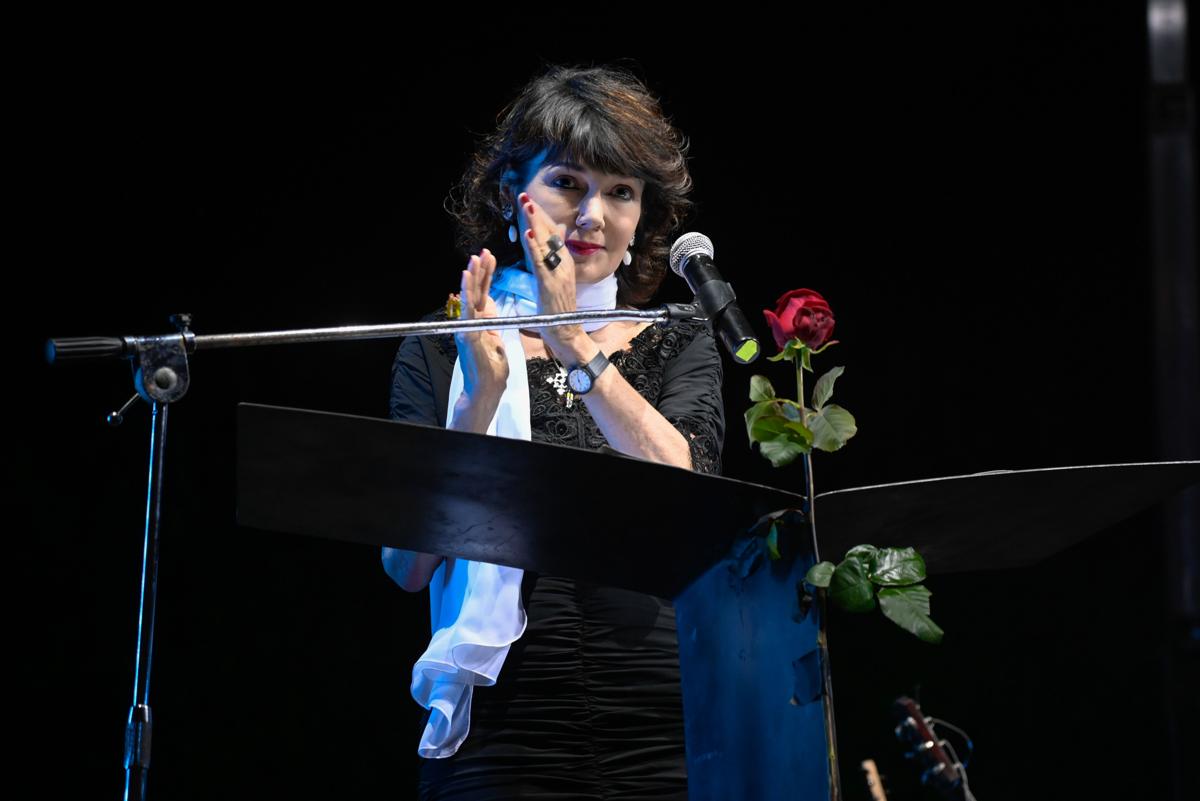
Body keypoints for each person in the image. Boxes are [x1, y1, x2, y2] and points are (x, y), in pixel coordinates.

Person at [382, 63, 725, 800]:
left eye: (621, 191)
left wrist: (570, 339)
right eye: (568, 182)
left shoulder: (679, 337)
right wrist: (480, 400)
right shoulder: (444, 346)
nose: (593, 215)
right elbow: (406, 565)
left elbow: (690, 493)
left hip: (663, 711)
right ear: (514, 193)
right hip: (502, 721)